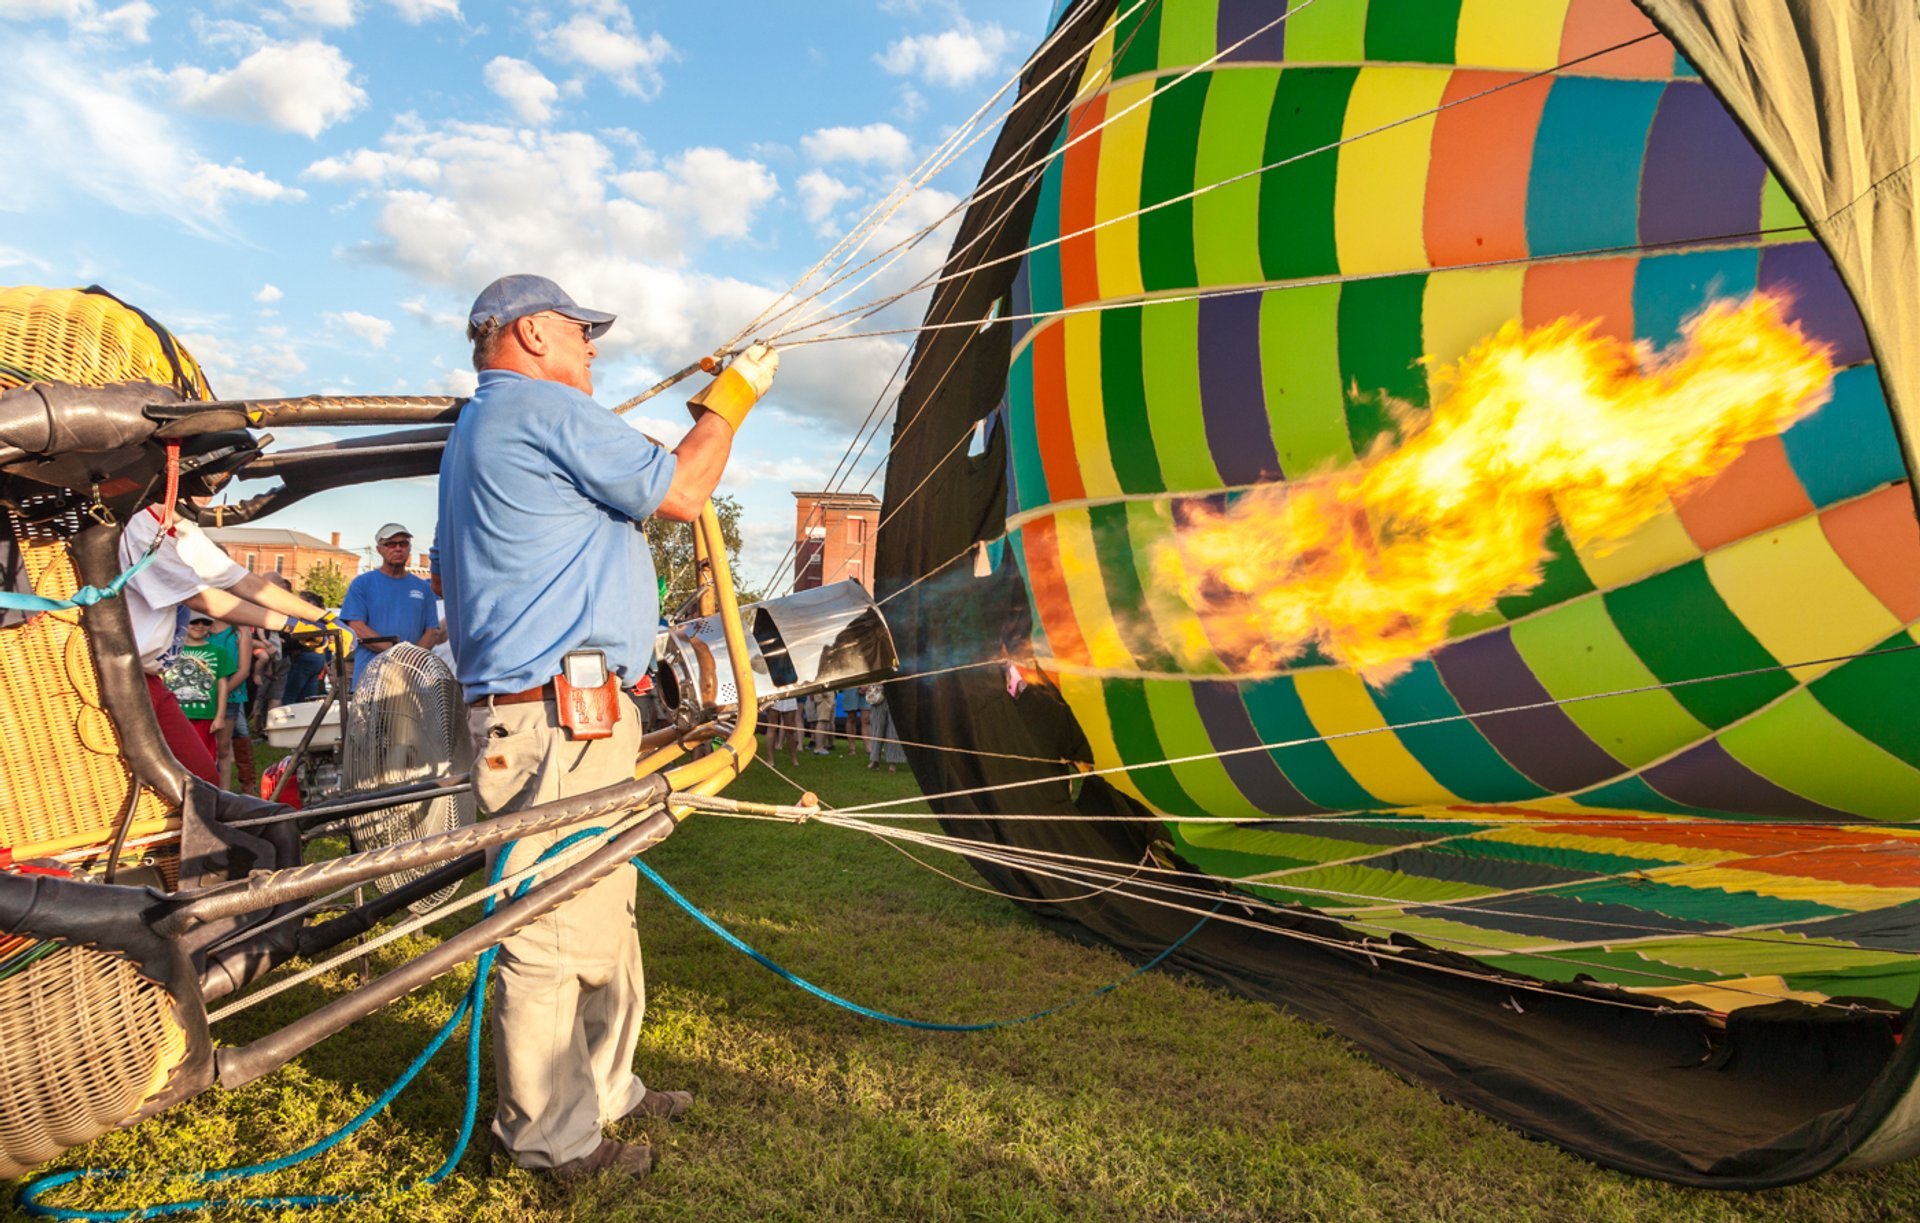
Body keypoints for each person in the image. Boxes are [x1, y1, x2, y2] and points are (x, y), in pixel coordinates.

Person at [437, 273, 777, 1182]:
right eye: (583, 332)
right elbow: (684, 492)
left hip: (567, 711)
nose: (595, 348)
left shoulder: (489, 425)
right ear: (534, 332)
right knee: (550, 924)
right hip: (556, 715)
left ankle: (605, 1085)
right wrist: (731, 402)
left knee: (603, 902)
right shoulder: (542, 410)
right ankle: (551, 1141)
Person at [121, 433, 335, 784]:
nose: (214, 494)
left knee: (201, 779)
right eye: (211, 481)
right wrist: (291, 626)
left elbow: (244, 583)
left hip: (154, 682)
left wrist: (321, 618)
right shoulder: (141, 525)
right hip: (126, 680)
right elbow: (203, 598)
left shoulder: (184, 531)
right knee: (178, 783)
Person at [340, 523, 444, 688]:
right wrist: (399, 655)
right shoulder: (362, 583)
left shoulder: (423, 587)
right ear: (379, 549)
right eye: (390, 544)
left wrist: (412, 660)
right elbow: (356, 626)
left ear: (409, 548)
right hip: (371, 681)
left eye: (403, 544)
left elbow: (433, 630)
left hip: (412, 682)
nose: (397, 548)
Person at [165, 612, 236, 760]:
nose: (200, 625)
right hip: (174, 714)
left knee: (203, 757)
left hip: (205, 716)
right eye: (195, 621)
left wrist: (220, 716)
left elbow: (222, 686)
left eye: (205, 622)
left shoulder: (219, 652)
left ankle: (203, 783)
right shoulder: (169, 650)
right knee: (174, 756)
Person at [208, 619, 257, 793]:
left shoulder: (240, 630)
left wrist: (219, 695)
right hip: (199, 696)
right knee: (204, 744)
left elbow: (244, 670)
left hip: (230, 694)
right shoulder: (199, 626)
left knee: (223, 747)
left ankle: (226, 792)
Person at [865, 683, 905, 773]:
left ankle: (892, 762)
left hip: (895, 695)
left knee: (893, 730)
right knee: (876, 729)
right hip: (878, 694)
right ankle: (874, 760)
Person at [840, 684, 869, 756]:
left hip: (866, 685)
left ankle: (869, 749)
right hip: (850, 686)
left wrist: (866, 685)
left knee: (866, 719)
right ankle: (852, 748)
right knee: (851, 717)